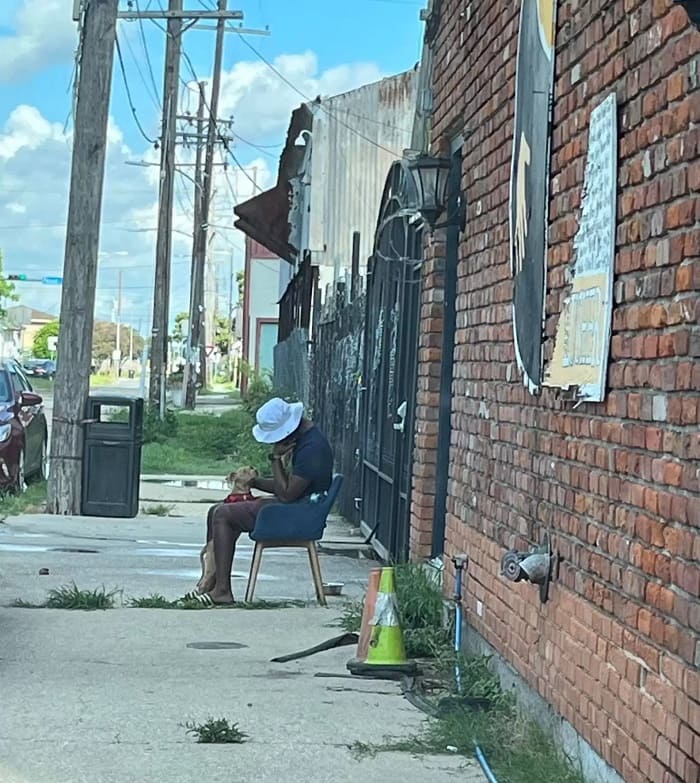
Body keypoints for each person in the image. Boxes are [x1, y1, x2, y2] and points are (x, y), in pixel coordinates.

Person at [191, 397, 333, 606]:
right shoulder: (306, 441)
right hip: (299, 508)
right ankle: (212, 580)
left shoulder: (311, 449)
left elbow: (286, 494)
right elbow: (288, 487)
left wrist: (275, 460)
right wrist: (254, 481)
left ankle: (221, 589)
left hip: (300, 514)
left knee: (223, 514)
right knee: (216, 510)